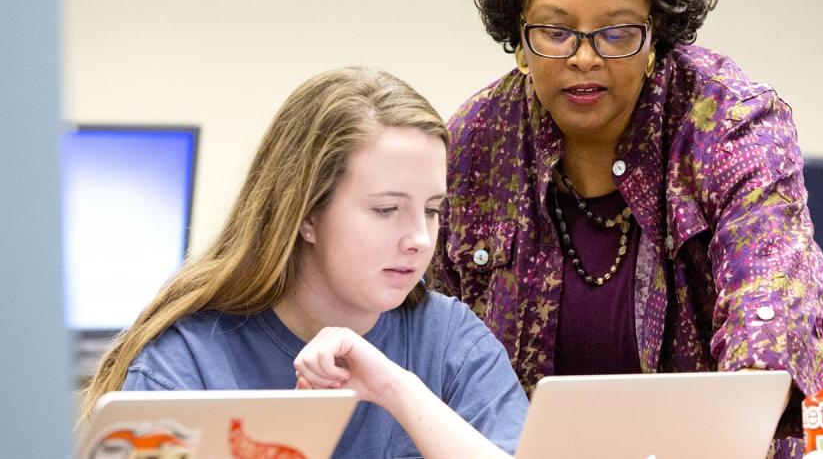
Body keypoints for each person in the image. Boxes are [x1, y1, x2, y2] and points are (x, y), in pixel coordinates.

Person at [438, 0, 823, 455]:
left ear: (655, 35)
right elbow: (431, 334)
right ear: (519, 38)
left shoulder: (729, 124)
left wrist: (737, 414)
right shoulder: (476, 144)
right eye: (555, 31)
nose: (584, 57)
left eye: (617, 33)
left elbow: (767, 293)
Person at [81, 67, 529, 458]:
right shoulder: (187, 362)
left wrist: (396, 390)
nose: (419, 239)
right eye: (386, 210)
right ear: (307, 216)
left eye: (432, 210)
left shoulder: (450, 340)